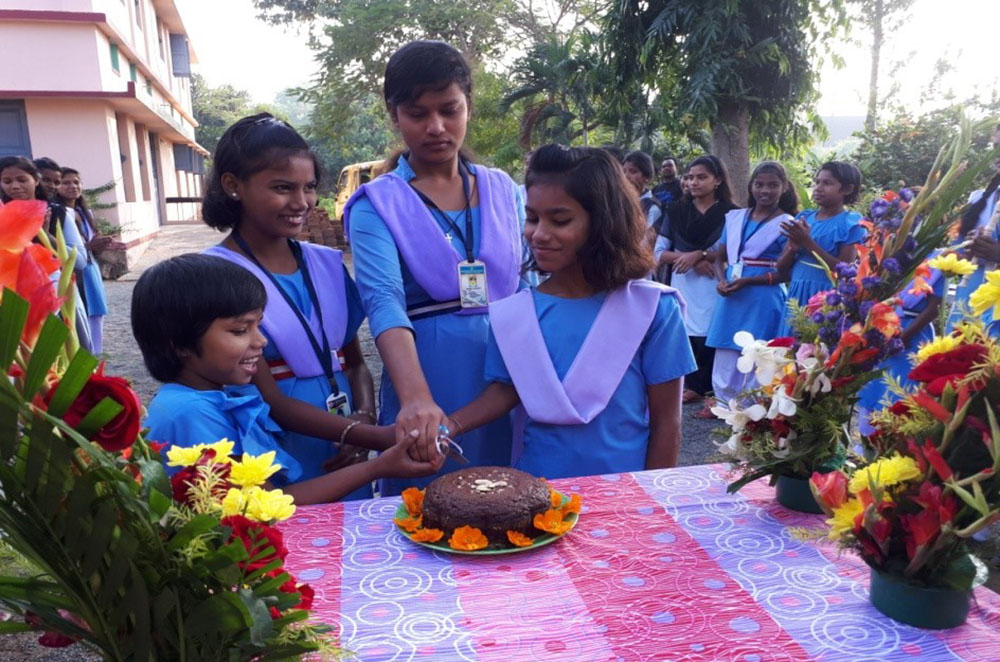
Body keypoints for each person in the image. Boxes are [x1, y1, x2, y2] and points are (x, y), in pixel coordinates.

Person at [432, 144, 695, 480]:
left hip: (623, 497)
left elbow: (667, 423)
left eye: (560, 220)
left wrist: (652, 499)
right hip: (539, 493)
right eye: (531, 218)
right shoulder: (515, 314)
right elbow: (509, 389)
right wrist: (451, 424)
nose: (538, 234)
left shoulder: (652, 309)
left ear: (603, 222)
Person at [344, 41, 525, 495]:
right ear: (394, 114)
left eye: (450, 110)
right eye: (418, 114)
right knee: (432, 506)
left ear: (469, 106)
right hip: (430, 373)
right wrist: (416, 399)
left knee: (517, 503)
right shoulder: (375, 205)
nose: (436, 127)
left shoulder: (505, 190)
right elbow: (384, 301)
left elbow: (533, 280)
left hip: (513, 371)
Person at [135, 254, 442, 503]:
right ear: (180, 344)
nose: (261, 342)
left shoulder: (209, 398)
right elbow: (265, 506)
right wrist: (379, 467)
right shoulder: (191, 413)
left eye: (259, 327)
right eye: (240, 331)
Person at [200, 113, 383, 500]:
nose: (301, 203)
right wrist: (371, 435)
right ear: (233, 185)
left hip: (346, 445)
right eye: (283, 188)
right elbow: (273, 401)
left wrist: (364, 413)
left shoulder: (327, 264)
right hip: (280, 443)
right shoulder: (217, 275)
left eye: (310, 187)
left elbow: (355, 362)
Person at [705, 161, 798, 410]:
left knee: (759, 355)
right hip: (732, 294)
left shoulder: (788, 224)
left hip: (763, 297)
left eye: (772, 185)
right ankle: (726, 410)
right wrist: (721, 279)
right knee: (726, 352)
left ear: (784, 188)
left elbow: (784, 273)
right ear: (751, 186)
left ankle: (753, 414)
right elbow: (720, 257)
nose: (765, 190)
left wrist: (748, 280)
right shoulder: (735, 219)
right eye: (759, 184)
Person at [654, 156, 735, 408]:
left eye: (701, 177)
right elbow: (658, 253)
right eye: (689, 177)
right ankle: (691, 385)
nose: (693, 182)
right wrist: (687, 257)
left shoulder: (731, 214)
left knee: (712, 331)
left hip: (716, 280)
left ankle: (710, 388)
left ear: (717, 180)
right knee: (686, 330)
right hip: (684, 279)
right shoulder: (676, 211)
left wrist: (700, 254)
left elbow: (734, 251)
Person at [0, 156, 93, 352]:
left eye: (21, 180)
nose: (15, 186)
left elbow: (80, 262)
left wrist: (45, 235)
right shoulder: (3, 214)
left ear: (36, 179)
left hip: (57, 292)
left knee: (70, 355)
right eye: (7, 181)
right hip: (13, 298)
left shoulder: (58, 214)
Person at [776, 161, 865, 336]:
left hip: (825, 299)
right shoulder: (804, 218)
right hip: (796, 294)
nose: (819, 188)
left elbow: (843, 268)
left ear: (847, 189)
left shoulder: (851, 223)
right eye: (817, 182)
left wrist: (807, 242)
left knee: (814, 352)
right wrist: (793, 248)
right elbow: (780, 267)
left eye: (828, 183)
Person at [858, 263, 945, 434]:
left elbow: (934, 308)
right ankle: (867, 440)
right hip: (885, 327)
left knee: (901, 388)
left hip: (911, 333)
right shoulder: (906, 255)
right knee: (875, 386)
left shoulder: (941, 260)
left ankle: (895, 440)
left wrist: (905, 336)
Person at [949, 123, 1000, 330]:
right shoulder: (978, 198)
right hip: (971, 296)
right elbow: (956, 256)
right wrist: (969, 248)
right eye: (996, 146)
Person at [56, 167, 111, 353]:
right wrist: (88, 247)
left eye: (76, 182)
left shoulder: (84, 212)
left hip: (90, 269)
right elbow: (69, 249)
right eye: (65, 182)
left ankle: (95, 355)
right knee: (81, 315)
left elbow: (89, 246)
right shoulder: (60, 214)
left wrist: (101, 246)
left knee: (96, 313)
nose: (72, 186)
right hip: (76, 272)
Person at [622, 150, 663, 231]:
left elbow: (645, 238)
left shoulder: (652, 207)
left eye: (633, 171)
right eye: (624, 171)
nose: (626, 176)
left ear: (647, 178)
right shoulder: (619, 199)